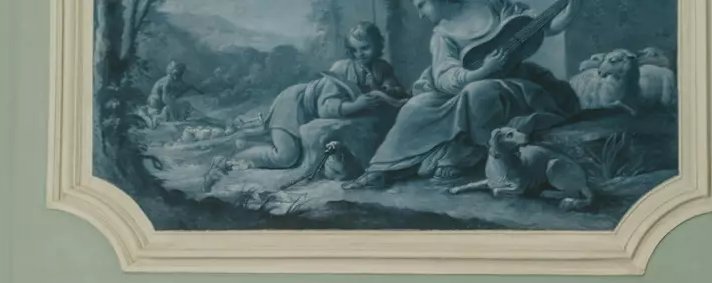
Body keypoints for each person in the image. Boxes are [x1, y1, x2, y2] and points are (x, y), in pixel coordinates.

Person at [352, 0, 580, 187]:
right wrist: (484, 70)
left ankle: (467, 154)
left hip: (511, 84)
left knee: (479, 92)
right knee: (416, 105)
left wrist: (570, 13)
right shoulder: (442, 35)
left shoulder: (495, 6)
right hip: (461, 85)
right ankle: (383, 167)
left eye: (422, 5)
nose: (421, 14)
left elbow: (540, 27)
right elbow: (445, 77)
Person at [223, 21, 406, 174]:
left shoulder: (381, 67)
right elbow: (325, 108)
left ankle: (255, 136)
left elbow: (393, 86)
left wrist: (392, 90)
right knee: (286, 157)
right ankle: (237, 157)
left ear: (377, 45)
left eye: (365, 48)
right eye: (354, 50)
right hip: (294, 105)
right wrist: (356, 105)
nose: (359, 54)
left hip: (306, 109)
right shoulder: (342, 68)